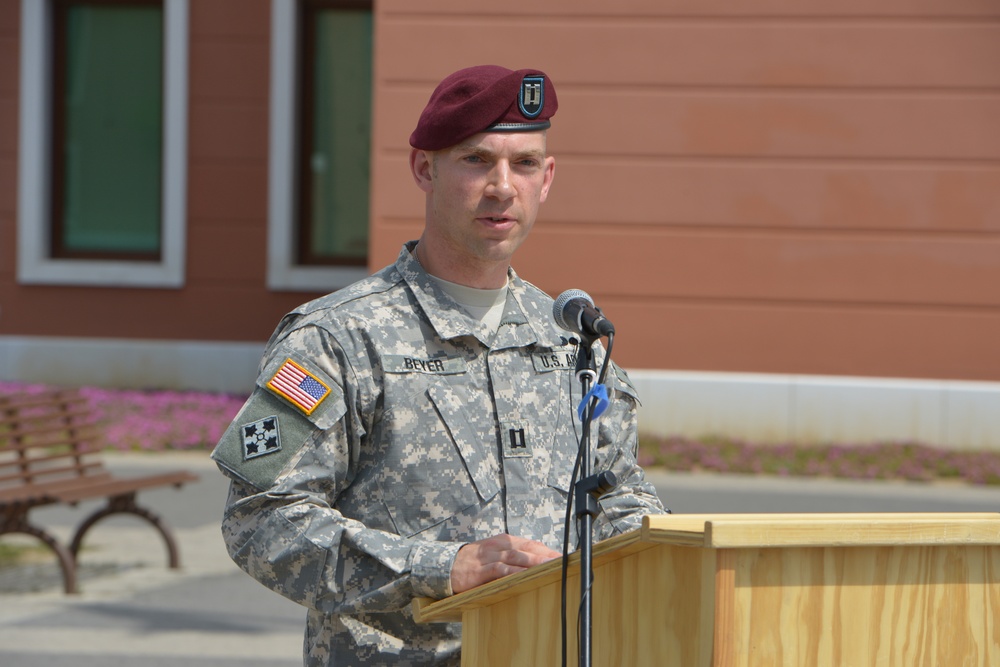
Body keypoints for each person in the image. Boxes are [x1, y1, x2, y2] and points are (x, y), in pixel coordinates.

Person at [211, 64, 666, 666]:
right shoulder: (337, 339)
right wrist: (442, 568)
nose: (503, 186)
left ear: (547, 178)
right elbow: (259, 520)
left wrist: (673, 549)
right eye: (476, 160)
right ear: (425, 169)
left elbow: (619, 496)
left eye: (524, 163)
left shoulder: (570, 338)